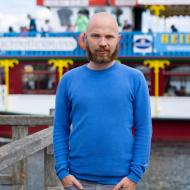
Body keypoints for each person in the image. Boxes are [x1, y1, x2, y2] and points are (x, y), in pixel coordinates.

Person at [53, 12, 152, 190]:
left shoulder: (135, 79)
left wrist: (134, 176)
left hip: (121, 183)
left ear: (118, 39)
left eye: (109, 36)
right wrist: (62, 172)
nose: (103, 43)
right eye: (96, 36)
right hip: (77, 182)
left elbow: (144, 128)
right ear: (84, 38)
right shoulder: (68, 80)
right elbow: (60, 127)